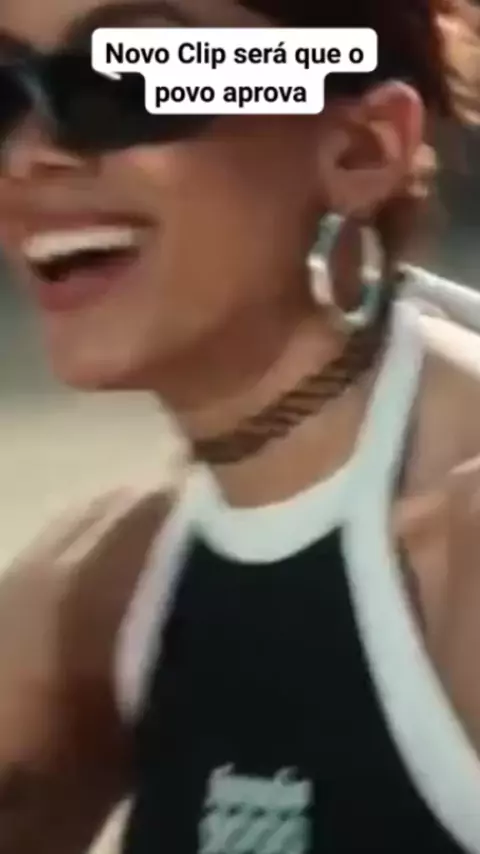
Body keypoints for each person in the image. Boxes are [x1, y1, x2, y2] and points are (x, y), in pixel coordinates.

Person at [2, 0, 480, 852]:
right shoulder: (103, 590)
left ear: (361, 147)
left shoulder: (462, 557)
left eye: (133, 80)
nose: (30, 156)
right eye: (3, 95)